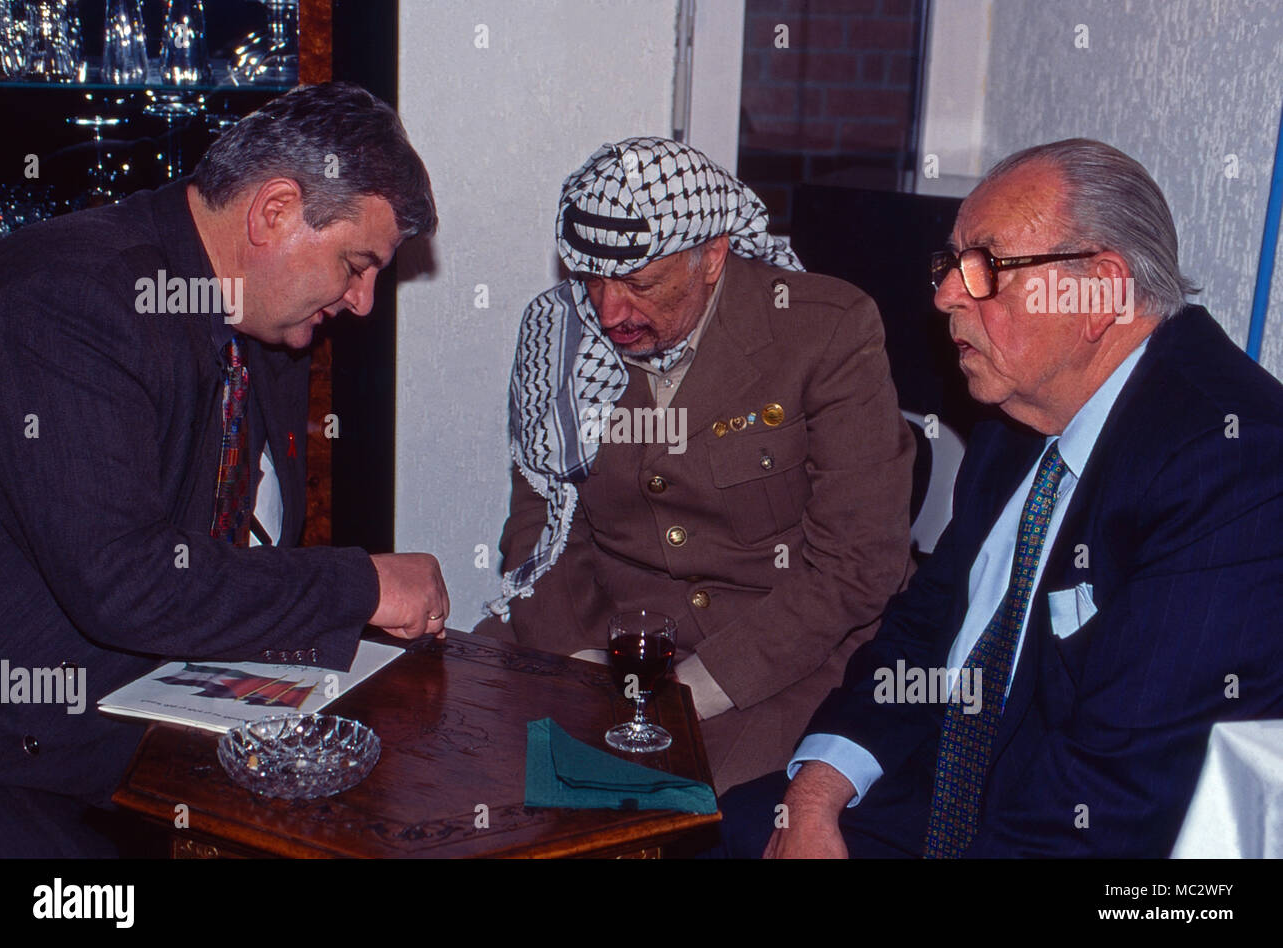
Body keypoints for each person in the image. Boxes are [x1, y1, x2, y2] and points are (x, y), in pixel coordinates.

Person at [721, 138, 1283, 858]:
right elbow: (925, 636)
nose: (946, 294)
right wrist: (816, 792)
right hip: (934, 800)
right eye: (950, 265)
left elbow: (1116, 799)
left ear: (1100, 291)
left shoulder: (1234, 468)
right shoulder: (1022, 417)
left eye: (985, 266)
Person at [0, 82, 449, 856]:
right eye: (356, 263)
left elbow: (239, 554)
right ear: (273, 212)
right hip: (25, 772)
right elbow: (127, 583)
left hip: (161, 737)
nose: (364, 302)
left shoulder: (260, 319)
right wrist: (361, 583)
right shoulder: (70, 301)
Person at [474, 137, 915, 794]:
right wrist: (580, 661)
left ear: (712, 256)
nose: (608, 311)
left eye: (639, 283)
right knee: (466, 756)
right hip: (604, 635)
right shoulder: (557, 333)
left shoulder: (826, 330)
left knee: (674, 811)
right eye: (591, 278)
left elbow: (858, 565)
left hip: (776, 654)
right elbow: (542, 519)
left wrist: (693, 690)